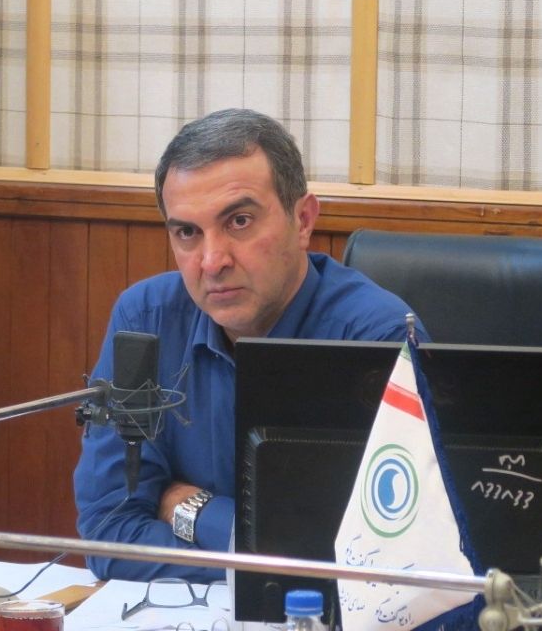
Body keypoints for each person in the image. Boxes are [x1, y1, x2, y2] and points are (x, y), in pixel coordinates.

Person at [73, 108, 423, 582]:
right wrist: (261, 561)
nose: (212, 261)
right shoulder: (146, 320)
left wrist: (193, 510)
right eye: (187, 232)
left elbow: (383, 561)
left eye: (239, 221)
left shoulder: (378, 339)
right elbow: (108, 533)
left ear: (303, 220)